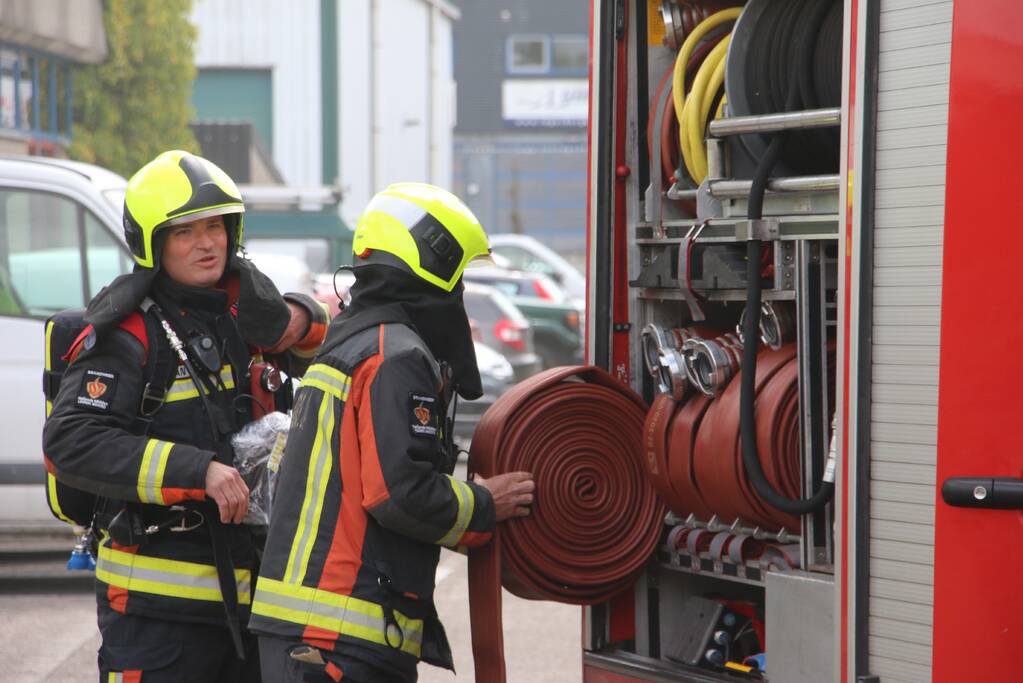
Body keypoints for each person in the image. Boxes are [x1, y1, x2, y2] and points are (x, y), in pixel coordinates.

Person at [42, 150, 328, 682]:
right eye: (185, 232)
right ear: (152, 243)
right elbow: (70, 442)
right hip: (155, 619)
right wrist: (198, 471)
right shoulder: (127, 336)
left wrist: (304, 313)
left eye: (216, 226)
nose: (207, 243)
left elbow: (320, 347)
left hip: (245, 612)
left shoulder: (236, 319)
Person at [250, 183, 535, 682]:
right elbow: (399, 494)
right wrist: (485, 503)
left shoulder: (354, 340)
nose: (459, 291)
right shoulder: (394, 356)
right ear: (434, 261)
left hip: (310, 633)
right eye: (459, 274)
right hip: (339, 637)